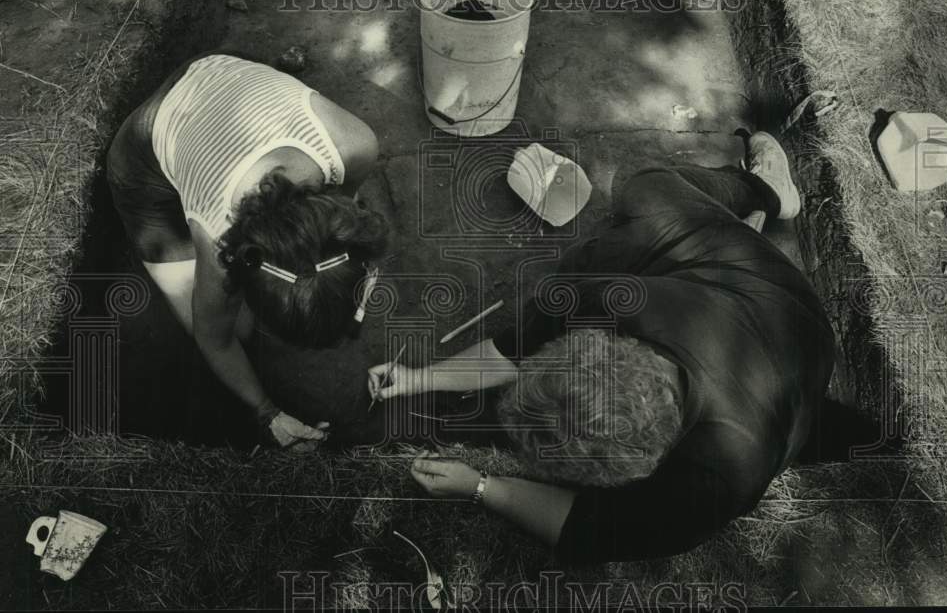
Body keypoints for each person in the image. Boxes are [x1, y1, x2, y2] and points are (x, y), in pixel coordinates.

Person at [368, 132, 840, 562]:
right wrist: (420, 377)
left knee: (636, 209)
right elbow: (512, 352)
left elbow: (591, 531)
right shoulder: (607, 295)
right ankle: (764, 193)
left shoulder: (711, 486)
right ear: (593, 343)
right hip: (770, 296)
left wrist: (482, 487)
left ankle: (758, 202)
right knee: (645, 188)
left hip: (796, 335)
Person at [108, 52, 387, 450]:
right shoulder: (221, 241)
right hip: (144, 155)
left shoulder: (355, 145)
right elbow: (214, 339)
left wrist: (349, 287)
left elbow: (343, 216)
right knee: (233, 328)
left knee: (236, 323)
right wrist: (266, 412)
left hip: (224, 75)